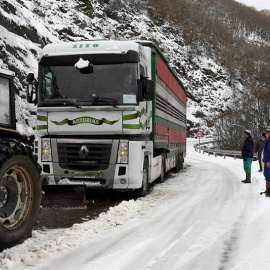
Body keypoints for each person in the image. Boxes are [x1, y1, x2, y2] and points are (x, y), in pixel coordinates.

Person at [262, 126, 270, 196]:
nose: (268, 133)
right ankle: (267, 190)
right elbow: (267, 151)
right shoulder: (268, 140)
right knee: (267, 175)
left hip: (269, 162)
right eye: (267, 132)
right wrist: (264, 157)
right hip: (267, 161)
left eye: (269, 132)